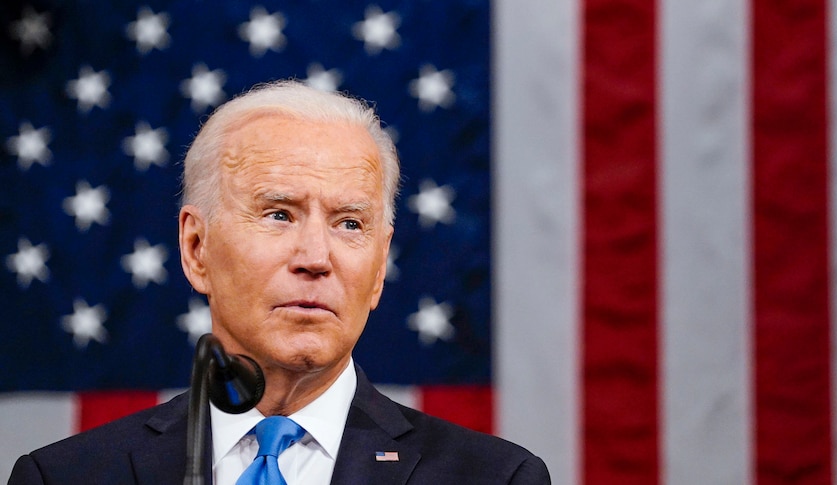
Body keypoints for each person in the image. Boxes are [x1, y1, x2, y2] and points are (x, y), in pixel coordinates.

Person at [7, 80, 551, 484]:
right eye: (279, 214)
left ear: (380, 267)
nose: (316, 257)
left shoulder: (495, 478)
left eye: (349, 224)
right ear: (197, 249)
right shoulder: (63, 477)